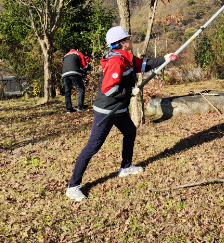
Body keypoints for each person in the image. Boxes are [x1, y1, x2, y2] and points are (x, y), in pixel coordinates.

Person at [66, 26, 177, 201]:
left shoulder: (128, 57)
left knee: (130, 132)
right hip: (107, 111)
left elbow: (144, 65)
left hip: (120, 108)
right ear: (121, 43)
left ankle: (125, 167)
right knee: (93, 147)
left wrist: (165, 58)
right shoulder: (116, 61)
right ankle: (73, 186)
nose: (130, 40)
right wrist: (129, 91)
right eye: (128, 39)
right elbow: (108, 89)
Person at [62, 44, 90, 114]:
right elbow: (84, 66)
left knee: (67, 91)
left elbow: (64, 64)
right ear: (77, 49)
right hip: (74, 72)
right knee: (81, 88)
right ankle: (80, 107)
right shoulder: (78, 53)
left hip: (64, 73)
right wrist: (88, 66)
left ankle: (69, 109)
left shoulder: (65, 55)